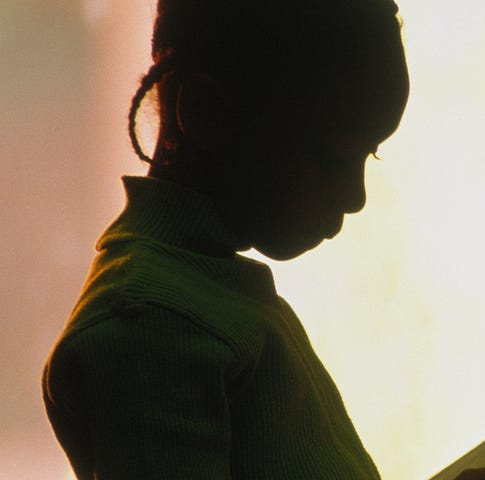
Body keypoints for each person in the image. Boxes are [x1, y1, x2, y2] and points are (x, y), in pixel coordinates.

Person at [41, 0, 408, 477]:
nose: (357, 197)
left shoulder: (202, 297)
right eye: (336, 157)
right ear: (206, 112)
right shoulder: (150, 324)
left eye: (369, 156)